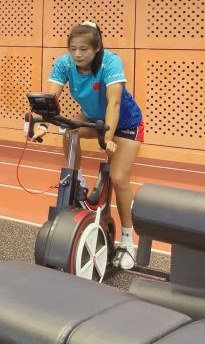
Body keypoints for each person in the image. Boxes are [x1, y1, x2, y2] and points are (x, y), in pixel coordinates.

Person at [33, 22, 143, 269]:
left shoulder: (110, 62)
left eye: (83, 49)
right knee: (68, 130)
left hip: (126, 123)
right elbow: (51, 99)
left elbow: (114, 104)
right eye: (73, 49)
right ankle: (79, 182)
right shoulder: (64, 64)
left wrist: (108, 137)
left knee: (118, 177)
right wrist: (43, 125)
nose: (77, 54)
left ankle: (128, 242)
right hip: (93, 118)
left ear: (96, 48)